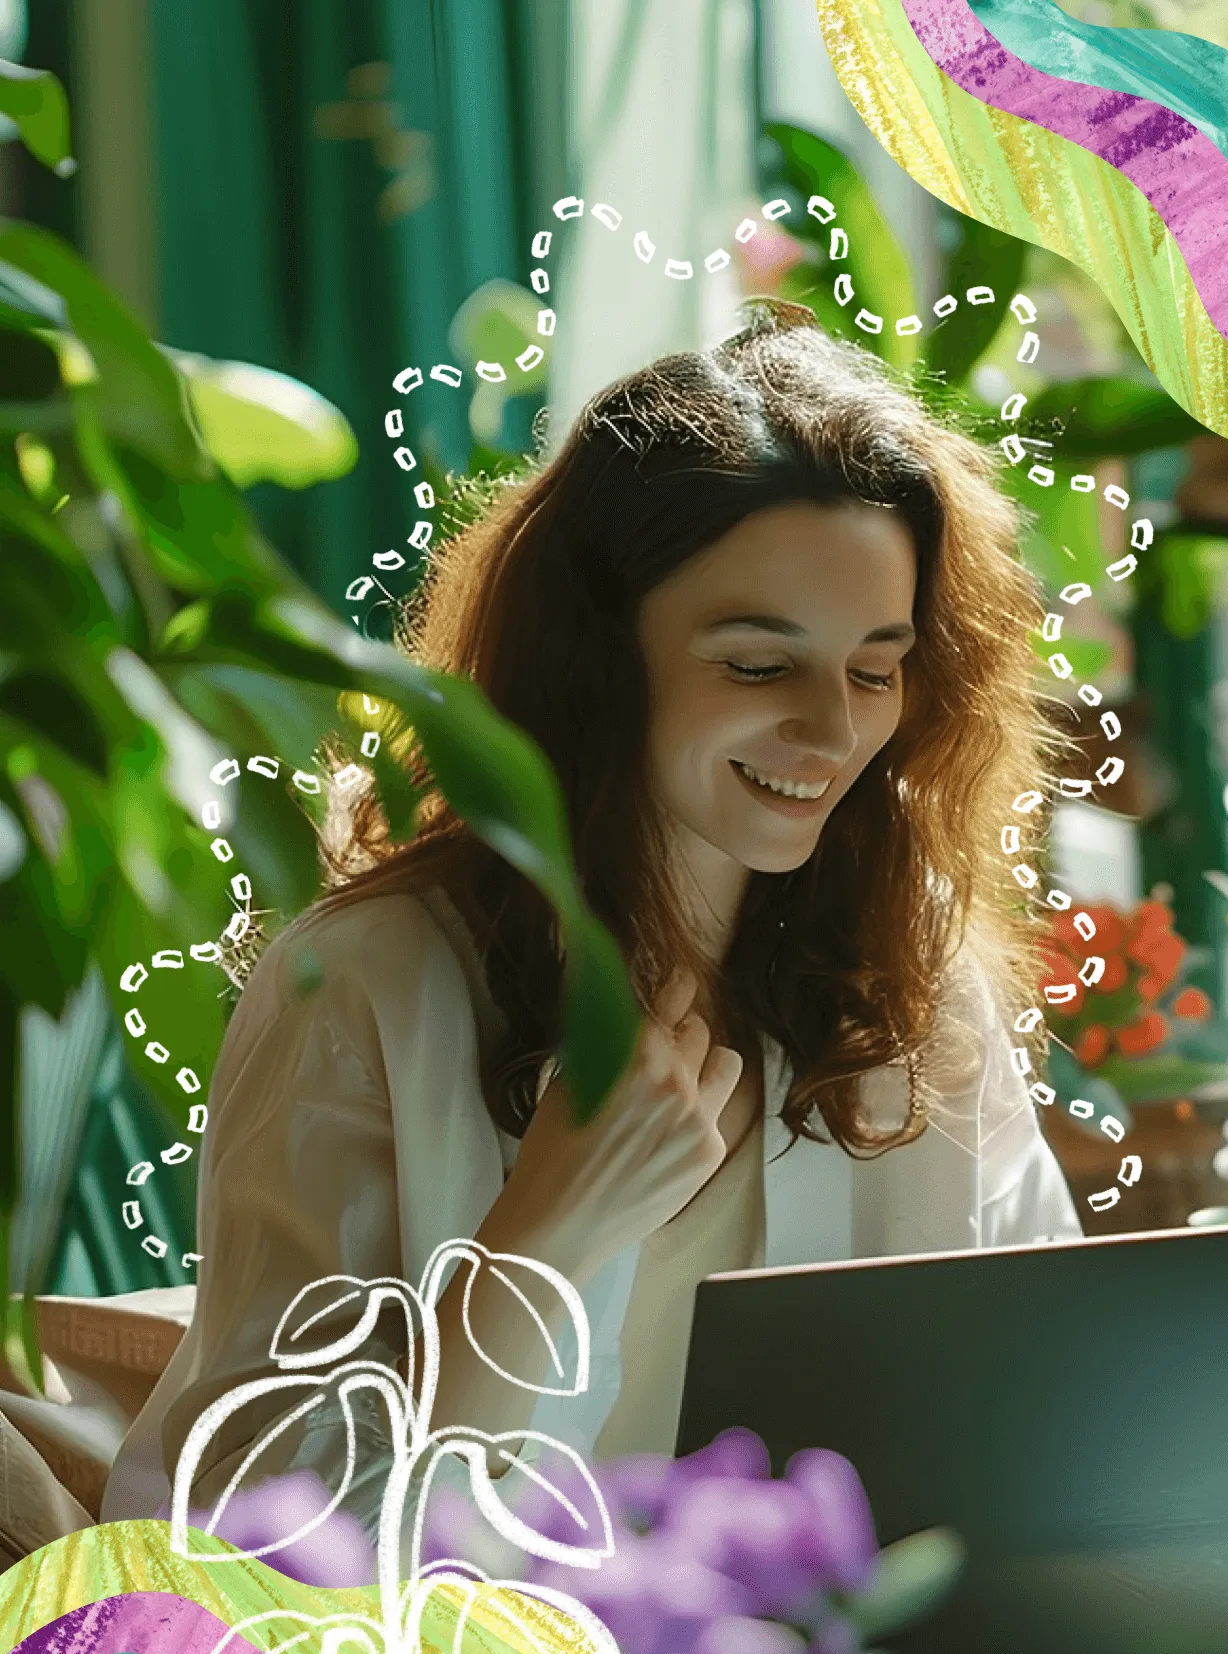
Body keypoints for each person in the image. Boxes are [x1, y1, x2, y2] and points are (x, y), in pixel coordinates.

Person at [101, 302, 1080, 1540]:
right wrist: (543, 1239)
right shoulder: (365, 987)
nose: (834, 730)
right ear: (597, 661)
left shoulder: (913, 981)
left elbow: (1044, 1408)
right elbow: (250, 1550)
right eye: (757, 664)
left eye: (875, 669)